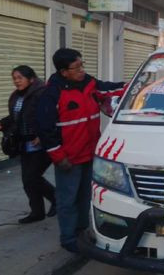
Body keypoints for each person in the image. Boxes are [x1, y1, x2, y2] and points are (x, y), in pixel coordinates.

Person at [36, 48, 126, 253]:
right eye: (76, 67)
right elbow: (45, 129)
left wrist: (135, 85)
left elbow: (109, 89)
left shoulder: (89, 83)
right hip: (69, 158)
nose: (82, 70)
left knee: (86, 196)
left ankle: (82, 231)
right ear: (63, 71)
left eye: (82, 65)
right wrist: (59, 157)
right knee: (67, 200)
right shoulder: (52, 94)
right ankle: (68, 238)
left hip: (90, 154)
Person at [0, 65, 56, 224]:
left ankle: (57, 199)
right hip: (24, 143)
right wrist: (1, 123)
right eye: (14, 78)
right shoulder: (17, 95)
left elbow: (53, 115)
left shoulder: (42, 93)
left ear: (31, 78)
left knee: (31, 177)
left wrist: (42, 135)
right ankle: (37, 211)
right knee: (28, 180)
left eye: (20, 78)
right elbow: (16, 117)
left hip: (41, 143)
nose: (16, 81)